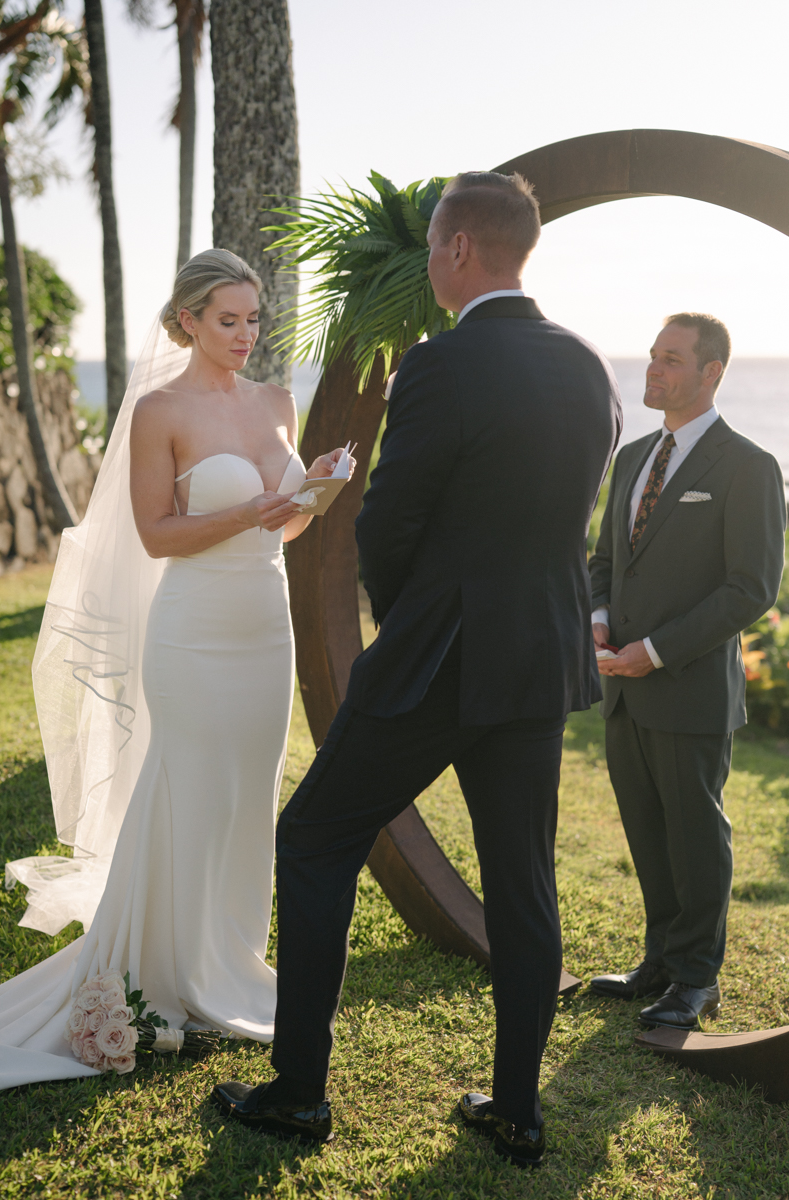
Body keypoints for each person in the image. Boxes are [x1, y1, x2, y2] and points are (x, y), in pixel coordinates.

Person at [212, 173, 622, 1167]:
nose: (432, 258)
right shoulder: (589, 367)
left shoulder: (438, 365)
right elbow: (572, 508)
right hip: (539, 662)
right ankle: (518, 1111)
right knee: (523, 884)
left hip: (440, 662)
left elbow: (388, 523)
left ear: (462, 251)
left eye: (437, 244)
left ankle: (301, 1094)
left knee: (313, 837)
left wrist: (410, 626)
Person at [0, 249, 350, 1089]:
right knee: (186, 787)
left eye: (254, 320)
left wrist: (313, 492)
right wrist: (255, 510)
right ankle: (165, 969)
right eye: (228, 320)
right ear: (188, 320)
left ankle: (226, 960)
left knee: (247, 796)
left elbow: (283, 530)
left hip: (264, 626)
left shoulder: (277, 401)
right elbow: (157, 534)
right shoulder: (161, 410)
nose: (245, 336)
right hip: (192, 630)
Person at [588, 313, 785, 1030]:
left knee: (697, 838)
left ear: (712, 373)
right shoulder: (632, 455)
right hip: (621, 692)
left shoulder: (749, 467)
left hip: (690, 691)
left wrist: (658, 650)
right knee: (645, 829)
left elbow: (751, 587)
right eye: (651, 356)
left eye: (670, 359)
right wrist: (600, 621)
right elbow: (604, 560)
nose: (652, 369)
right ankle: (661, 962)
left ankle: (698, 979)